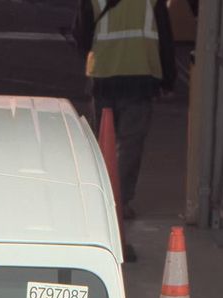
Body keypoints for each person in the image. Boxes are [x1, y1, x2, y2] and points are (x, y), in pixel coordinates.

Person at [74, 0, 175, 259]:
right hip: (140, 76)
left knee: (101, 144)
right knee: (130, 144)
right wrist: (169, 78)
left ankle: (100, 196)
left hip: (104, 77)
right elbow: (164, 37)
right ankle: (121, 201)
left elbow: (82, 37)